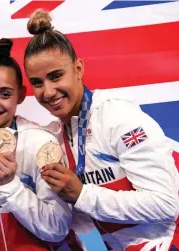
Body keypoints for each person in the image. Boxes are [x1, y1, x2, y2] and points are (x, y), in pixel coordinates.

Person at [23, 9, 179, 250]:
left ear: (78, 69)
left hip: (167, 240)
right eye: (37, 83)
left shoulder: (117, 117)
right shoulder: (53, 135)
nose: (48, 91)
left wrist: (82, 194)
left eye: (56, 76)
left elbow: (166, 203)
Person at [0, 38, 72, 251]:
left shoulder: (40, 142)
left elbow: (58, 227)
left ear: (21, 95)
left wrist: (11, 186)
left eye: (5, 94)